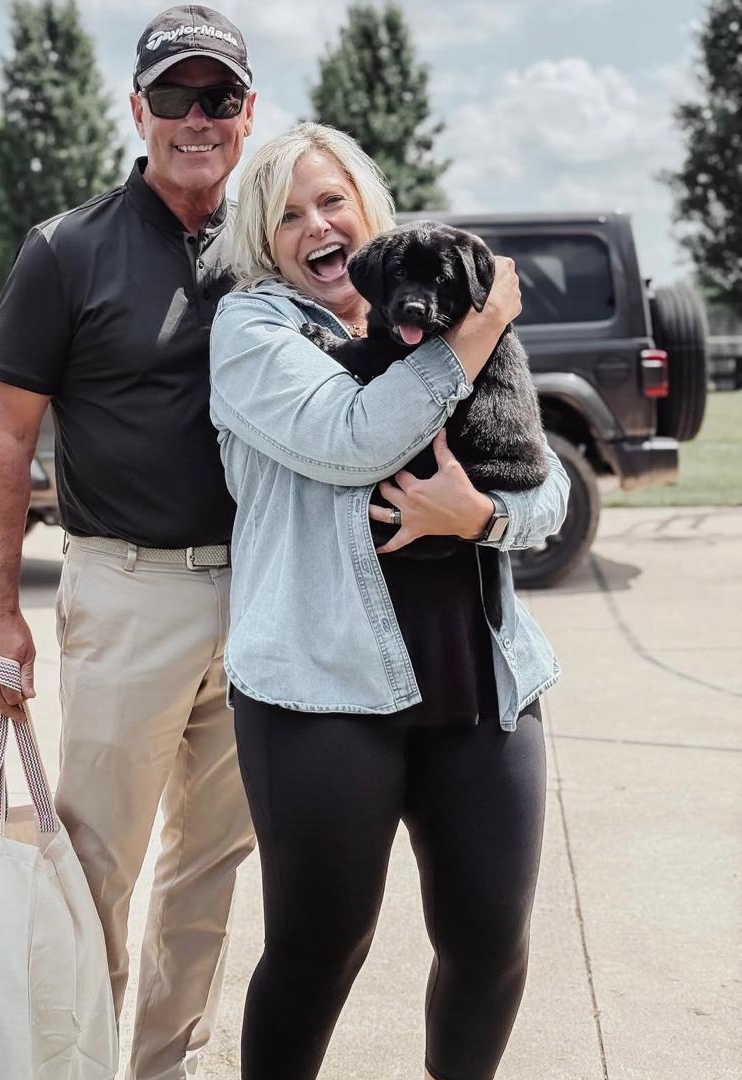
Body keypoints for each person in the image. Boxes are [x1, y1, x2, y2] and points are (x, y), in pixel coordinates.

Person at [209, 123, 570, 1080]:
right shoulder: (255, 331)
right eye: (286, 215)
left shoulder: (439, 297)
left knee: (489, 944)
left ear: (369, 211)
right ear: (262, 237)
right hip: (318, 690)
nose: (314, 227)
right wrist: (482, 328)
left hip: (479, 677)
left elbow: (548, 490)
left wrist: (480, 514)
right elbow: (357, 435)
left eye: (331, 202)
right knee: (320, 950)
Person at [0, 8, 259, 1079]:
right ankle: (75, 1062)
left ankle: (162, 1065)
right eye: (173, 97)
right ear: (137, 109)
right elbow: (3, 441)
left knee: (212, 867)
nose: (195, 117)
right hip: (126, 590)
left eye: (217, 98)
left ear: (245, 114)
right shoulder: (66, 250)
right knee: (97, 863)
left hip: (262, 595)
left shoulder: (267, 240)